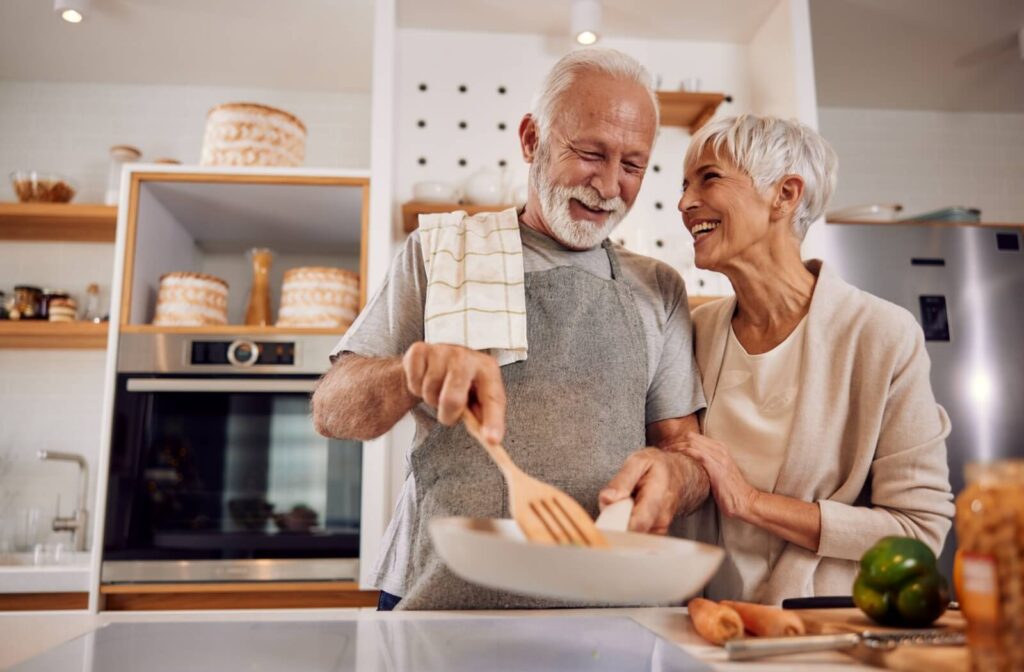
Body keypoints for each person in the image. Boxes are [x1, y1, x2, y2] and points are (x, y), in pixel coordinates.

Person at [312, 48, 709, 611]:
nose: (609, 185)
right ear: (531, 140)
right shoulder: (440, 254)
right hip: (442, 602)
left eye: (633, 165)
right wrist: (408, 373)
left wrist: (676, 474)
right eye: (591, 153)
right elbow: (332, 410)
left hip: (605, 612)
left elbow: (688, 455)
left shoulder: (658, 288)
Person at [674, 114, 955, 604]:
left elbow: (917, 533)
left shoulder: (881, 336)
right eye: (683, 185)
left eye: (709, 178)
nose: (683, 203)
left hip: (818, 631)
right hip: (702, 624)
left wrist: (752, 502)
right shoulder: (693, 333)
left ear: (785, 195)